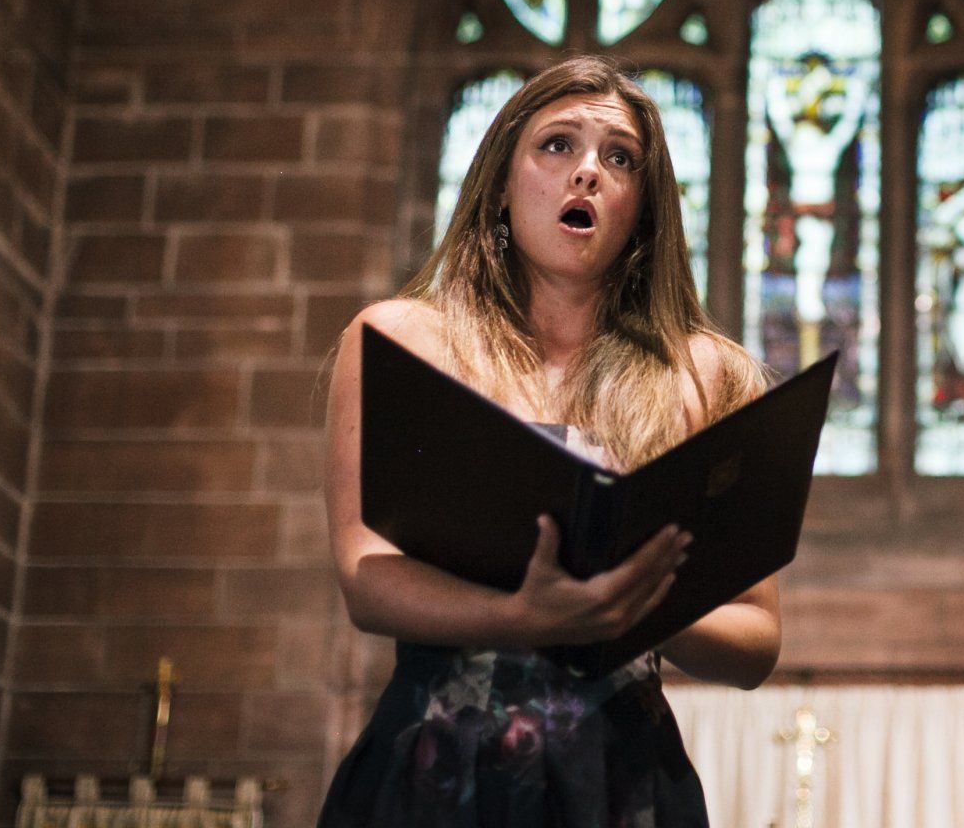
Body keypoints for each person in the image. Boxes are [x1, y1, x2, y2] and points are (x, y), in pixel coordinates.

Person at [318, 56, 777, 827]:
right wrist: (523, 618)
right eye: (557, 145)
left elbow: (756, 638)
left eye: (619, 158)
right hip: (439, 769)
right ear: (502, 182)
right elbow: (366, 577)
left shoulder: (703, 377)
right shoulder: (405, 341)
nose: (588, 172)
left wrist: (629, 607)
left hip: (618, 780)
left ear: (644, 208)